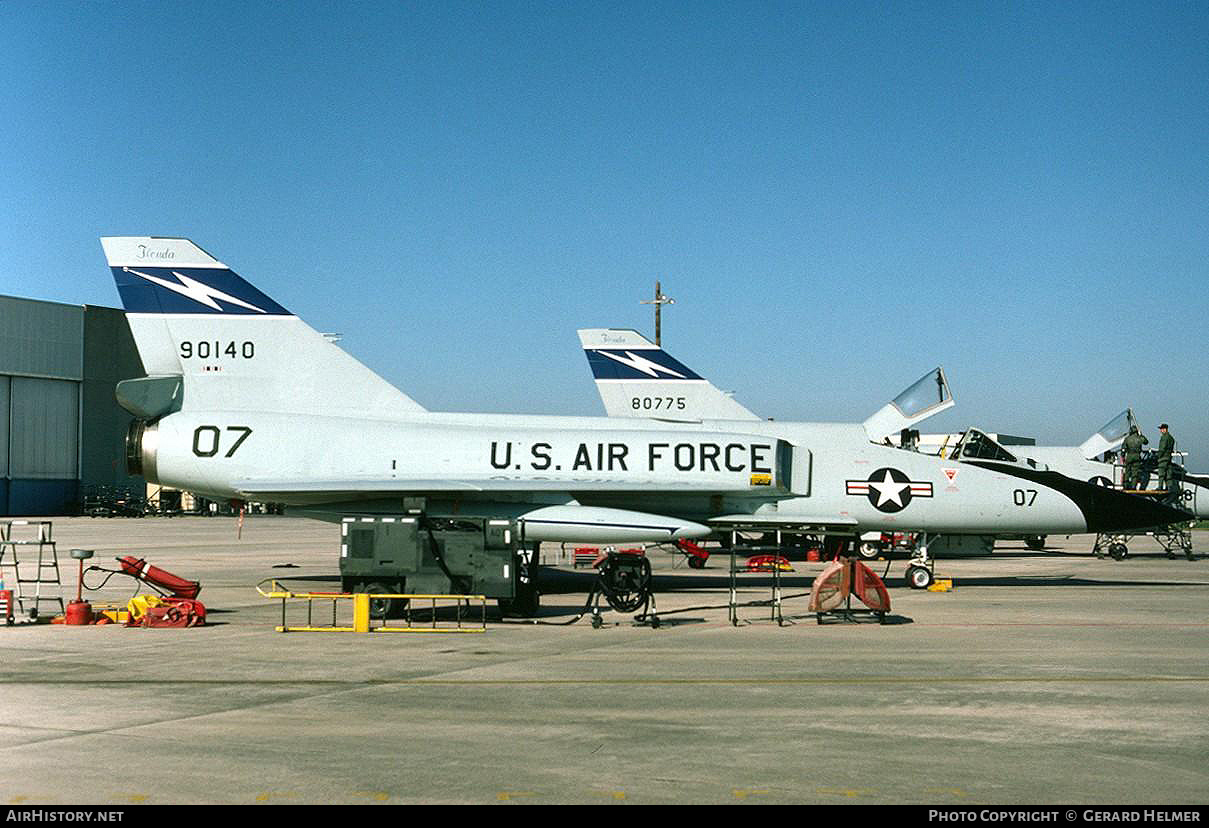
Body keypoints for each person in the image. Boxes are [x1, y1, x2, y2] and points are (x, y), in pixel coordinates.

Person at [1122, 425, 1148, 491]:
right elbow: (1146, 442)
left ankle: (1126, 485)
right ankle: (1133, 486)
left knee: (1127, 471)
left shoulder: (1127, 439)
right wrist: (1141, 435)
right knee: (1135, 472)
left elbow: (1123, 449)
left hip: (1129, 456)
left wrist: (1123, 456)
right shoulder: (1139, 438)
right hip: (1137, 456)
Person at [1156, 423, 1176, 500]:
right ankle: (1169, 487)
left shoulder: (1164, 437)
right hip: (1169, 458)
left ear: (1164, 429)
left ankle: (1160, 487)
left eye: (1161, 429)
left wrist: (1158, 457)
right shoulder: (1171, 438)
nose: (1160, 430)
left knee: (1161, 473)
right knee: (1168, 475)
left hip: (1163, 458)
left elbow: (1162, 448)